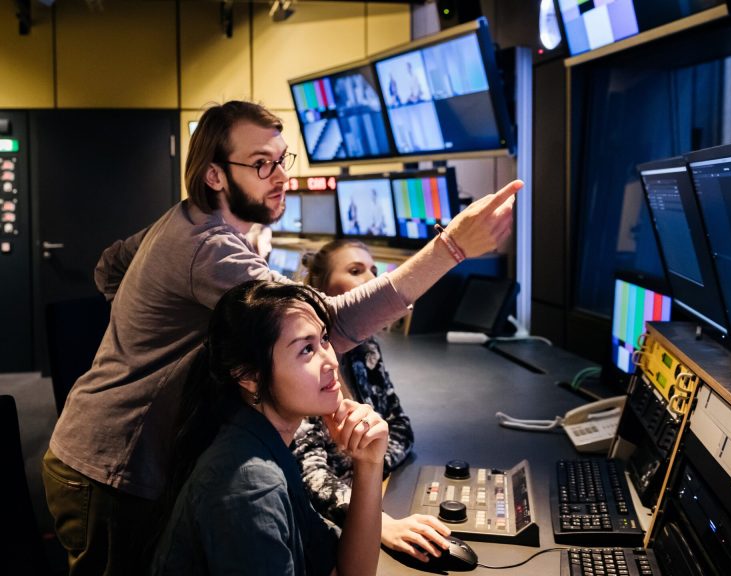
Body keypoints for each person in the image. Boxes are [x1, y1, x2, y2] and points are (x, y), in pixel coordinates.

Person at [42, 99, 521, 576]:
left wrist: (143, 329)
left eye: (281, 159)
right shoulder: (207, 248)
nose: (279, 175)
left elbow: (109, 267)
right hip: (112, 464)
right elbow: (325, 324)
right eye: (260, 164)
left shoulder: (183, 220)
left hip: (117, 450)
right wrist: (450, 248)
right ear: (214, 175)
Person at [151, 280, 387, 575]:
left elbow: (351, 571)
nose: (331, 361)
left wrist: (368, 462)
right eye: (306, 350)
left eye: (324, 340)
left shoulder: (266, 444)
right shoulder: (250, 483)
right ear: (249, 376)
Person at [294, 239, 450, 563]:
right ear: (321, 290)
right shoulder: (303, 368)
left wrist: (370, 466)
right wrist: (379, 522)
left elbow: (401, 429)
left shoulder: (366, 350)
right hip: (318, 530)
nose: (371, 280)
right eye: (355, 271)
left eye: (374, 271)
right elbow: (309, 476)